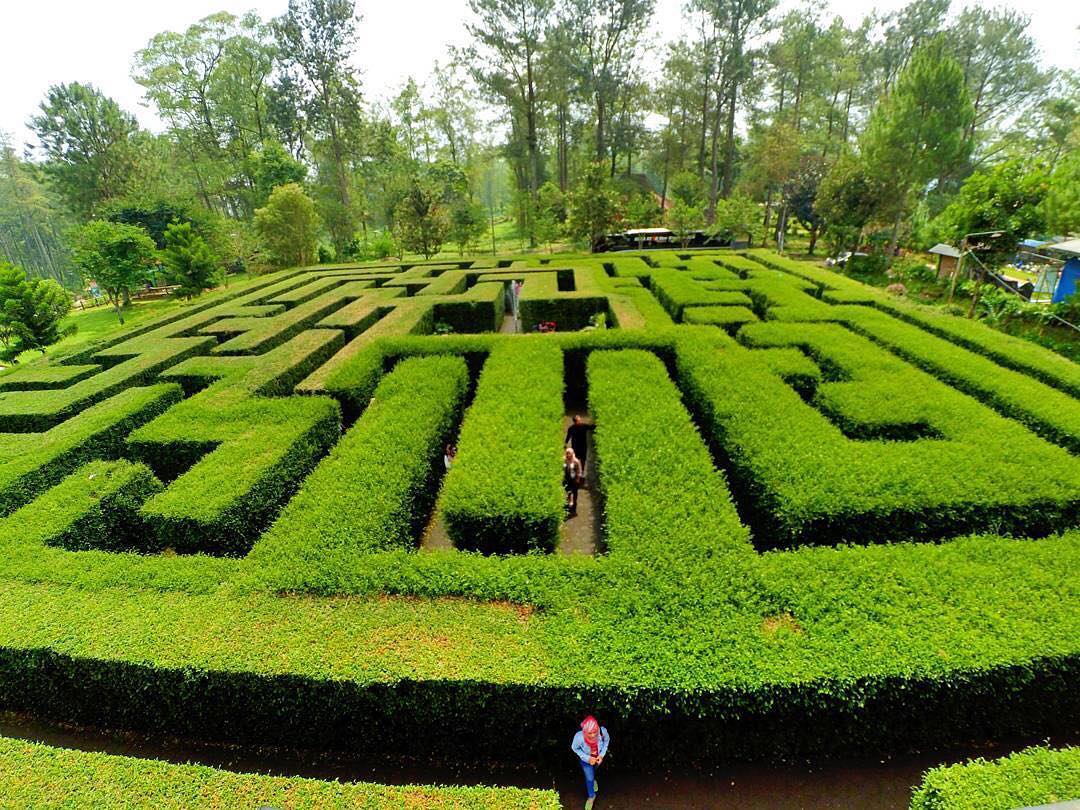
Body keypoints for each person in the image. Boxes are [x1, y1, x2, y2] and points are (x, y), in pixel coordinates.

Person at [571, 716, 609, 809]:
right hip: (586, 760)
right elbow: (574, 748)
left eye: (594, 732)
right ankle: (591, 796)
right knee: (589, 778)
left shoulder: (602, 731)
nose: (592, 735)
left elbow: (606, 741)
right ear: (584, 731)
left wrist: (602, 755)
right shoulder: (578, 737)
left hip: (598, 758)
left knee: (593, 772)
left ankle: (593, 781)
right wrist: (587, 758)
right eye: (589, 733)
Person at [565, 416, 595, 481]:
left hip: (583, 446)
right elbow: (568, 436)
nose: (580, 421)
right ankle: (577, 472)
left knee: (583, 460)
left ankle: (582, 472)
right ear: (575, 421)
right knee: (576, 460)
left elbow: (591, 427)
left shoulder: (583, 426)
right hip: (575, 447)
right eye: (579, 420)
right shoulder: (571, 428)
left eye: (580, 420)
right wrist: (566, 443)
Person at [563, 447, 583, 516]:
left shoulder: (576, 461)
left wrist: (578, 478)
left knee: (574, 492)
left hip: (574, 479)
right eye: (567, 454)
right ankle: (569, 501)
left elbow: (579, 471)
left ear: (572, 454)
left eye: (569, 454)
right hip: (567, 479)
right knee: (568, 490)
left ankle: (574, 504)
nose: (568, 455)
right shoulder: (564, 460)